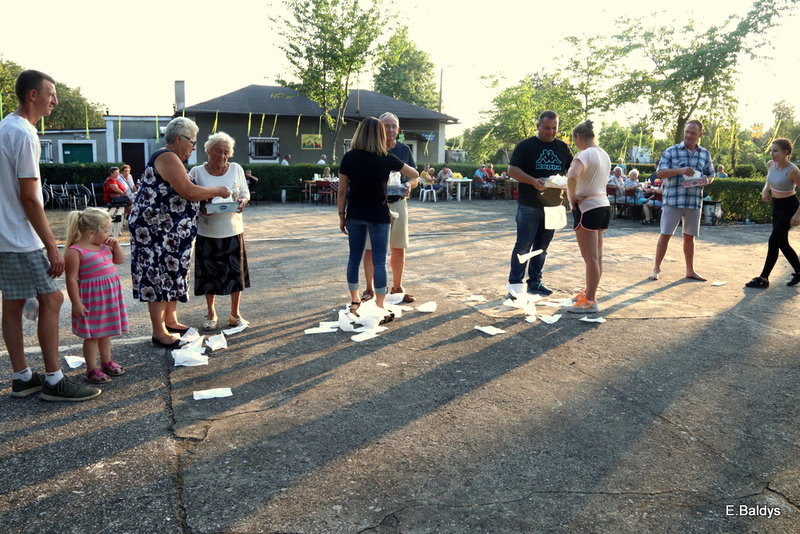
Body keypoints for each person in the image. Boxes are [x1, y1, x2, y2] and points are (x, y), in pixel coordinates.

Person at [0, 69, 100, 401]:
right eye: (51, 93)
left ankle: (22, 377)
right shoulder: (25, 134)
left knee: (13, 303)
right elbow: (30, 197)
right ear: (33, 95)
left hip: (5, 234)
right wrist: (52, 248)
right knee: (53, 299)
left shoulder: (4, 127)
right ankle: (54, 380)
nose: (55, 100)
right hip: (20, 236)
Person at [128, 117, 231, 349]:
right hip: (156, 234)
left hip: (170, 235)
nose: (193, 147)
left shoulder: (171, 158)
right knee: (158, 277)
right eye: (192, 142)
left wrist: (203, 201)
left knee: (172, 275)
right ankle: (159, 332)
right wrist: (218, 190)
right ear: (178, 139)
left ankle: (170, 320)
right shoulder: (167, 157)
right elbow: (188, 191)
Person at [337, 117, 419, 319]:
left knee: (354, 258)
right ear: (380, 134)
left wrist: (341, 216)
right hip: (379, 215)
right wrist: (402, 176)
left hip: (355, 214)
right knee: (380, 260)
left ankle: (355, 300)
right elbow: (414, 173)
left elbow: (342, 190)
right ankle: (380, 305)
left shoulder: (349, 157)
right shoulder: (386, 157)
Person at [507, 110, 573, 296]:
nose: (551, 132)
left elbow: (573, 170)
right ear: (538, 126)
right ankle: (515, 286)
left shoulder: (563, 147)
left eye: (554, 128)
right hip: (529, 204)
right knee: (523, 246)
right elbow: (512, 170)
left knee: (542, 247)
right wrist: (533, 181)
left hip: (554, 206)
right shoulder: (526, 146)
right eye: (547, 128)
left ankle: (535, 282)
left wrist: (567, 182)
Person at [189, 132, 251, 330]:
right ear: (208, 151)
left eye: (226, 152)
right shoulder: (197, 172)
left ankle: (235, 314)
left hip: (232, 229)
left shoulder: (236, 168)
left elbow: (245, 193)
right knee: (209, 276)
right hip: (207, 231)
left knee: (235, 275)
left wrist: (243, 201)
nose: (222, 155)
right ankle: (211, 313)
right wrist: (201, 206)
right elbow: (189, 197)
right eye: (218, 151)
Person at [64, 208, 128, 383]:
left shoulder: (105, 246)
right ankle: (91, 369)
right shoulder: (75, 251)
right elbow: (71, 279)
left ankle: (106, 362)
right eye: (106, 231)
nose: (109, 234)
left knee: (106, 332)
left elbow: (120, 260)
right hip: (91, 301)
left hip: (108, 299)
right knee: (92, 336)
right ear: (92, 232)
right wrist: (76, 303)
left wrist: (116, 246)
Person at [360, 112, 419, 303]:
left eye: (394, 126)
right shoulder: (370, 148)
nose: (391, 129)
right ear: (379, 128)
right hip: (374, 204)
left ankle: (397, 287)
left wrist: (409, 185)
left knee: (398, 247)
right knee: (370, 249)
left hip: (399, 202)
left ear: (399, 130)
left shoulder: (404, 150)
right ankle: (369, 289)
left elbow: (415, 177)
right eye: (386, 126)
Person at [648, 119, 715, 281]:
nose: (689, 135)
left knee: (689, 237)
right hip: (673, 200)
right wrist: (680, 170)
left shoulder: (705, 154)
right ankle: (656, 268)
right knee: (665, 235)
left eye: (693, 133)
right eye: (687, 132)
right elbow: (660, 173)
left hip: (694, 201)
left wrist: (706, 180)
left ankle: (690, 270)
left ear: (700, 135)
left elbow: (711, 174)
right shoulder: (672, 151)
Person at [566, 120, 611, 313]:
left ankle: (590, 300)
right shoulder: (604, 154)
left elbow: (571, 175)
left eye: (574, 140)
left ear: (579, 137)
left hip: (587, 208)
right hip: (603, 206)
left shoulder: (583, 155)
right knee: (597, 256)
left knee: (590, 258)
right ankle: (589, 292)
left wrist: (572, 198)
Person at [744, 138, 800, 288]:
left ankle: (763, 278)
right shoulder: (770, 164)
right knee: (782, 242)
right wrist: (765, 191)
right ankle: (799, 271)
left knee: (774, 241)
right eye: (771, 150)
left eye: (775, 151)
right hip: (777, 206)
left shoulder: (793, 170)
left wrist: (797, 214)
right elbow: (769, 180)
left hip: (790, 207)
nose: (772, 154)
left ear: (786, 152)